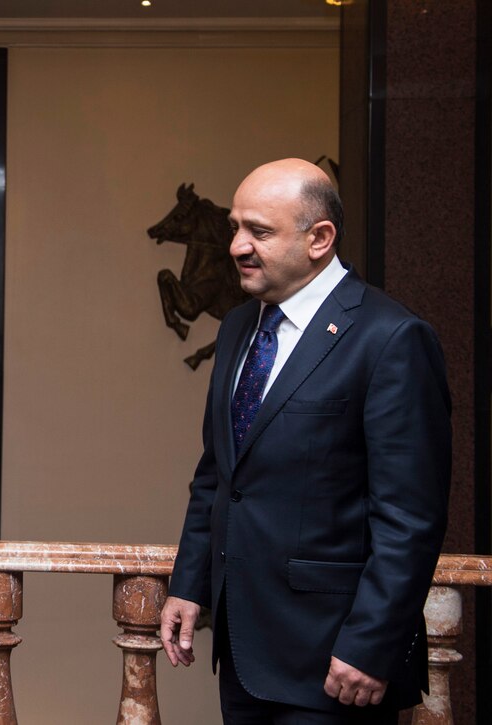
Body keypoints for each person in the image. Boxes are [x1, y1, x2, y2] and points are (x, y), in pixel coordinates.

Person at [159, 158, 451, 723]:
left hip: (337, 664)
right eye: (235, 229)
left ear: (320, 238)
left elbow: (410, 519)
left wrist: (370, 644)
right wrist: (189, 584)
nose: (238, 247)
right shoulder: (240, 326)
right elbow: (218, 476)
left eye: (259, 232)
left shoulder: (392, 339)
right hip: (243, 653)